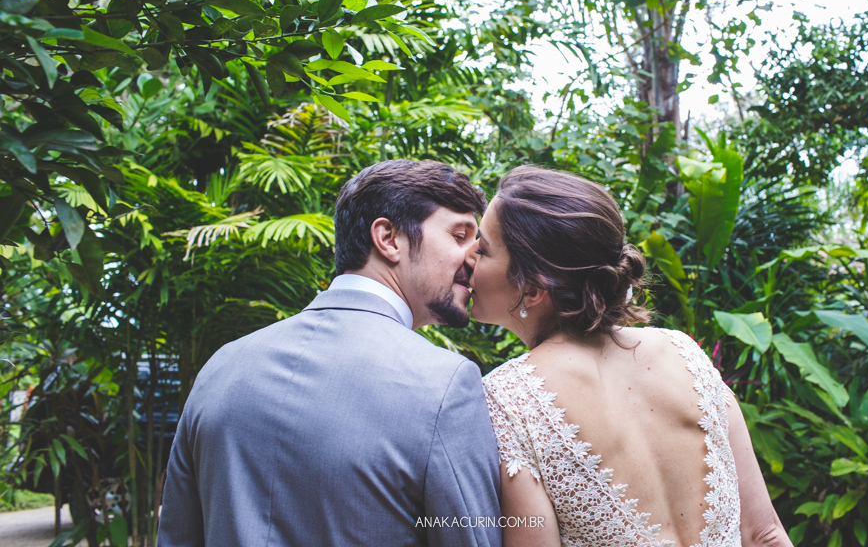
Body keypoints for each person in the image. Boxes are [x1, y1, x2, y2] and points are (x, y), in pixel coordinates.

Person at [158, 159, 502, 547]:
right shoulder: (445, 383)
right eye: (460, 236)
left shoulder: (222, 366)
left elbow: (177, 535)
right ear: (388, 238)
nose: (474, 258)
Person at [467, 165, 792, 547]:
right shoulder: (684, 352)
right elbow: (764, 533)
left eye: (482, 248)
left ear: (534, 288)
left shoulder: (507, 400)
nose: (467, 257)